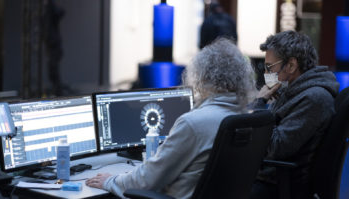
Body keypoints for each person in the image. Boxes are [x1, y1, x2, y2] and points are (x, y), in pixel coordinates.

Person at [86, 38, 255, 199]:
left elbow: (146, 180)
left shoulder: (194, 123)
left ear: (202, 77)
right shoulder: (244, 117)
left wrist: (110, 181)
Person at [250, 30, 339, 199]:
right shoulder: (292, 91)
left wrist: (260, 104)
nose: (266, 73)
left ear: (291, 65)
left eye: (269, 67)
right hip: (268, 177)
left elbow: (274, 148)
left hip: (276, 186)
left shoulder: (315, 98)